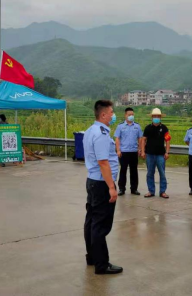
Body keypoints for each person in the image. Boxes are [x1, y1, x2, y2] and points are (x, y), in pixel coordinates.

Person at [83, 100, 123, 275]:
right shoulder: (100, 134)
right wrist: (111, 187)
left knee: (91, 221)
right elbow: (103, 162)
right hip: (101, 183)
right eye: (111, 112)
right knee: (100, 225)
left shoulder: (90, 131)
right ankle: (102, 264)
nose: (113, 115)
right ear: (104, 115)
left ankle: (92, 257)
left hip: (93, 180)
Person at [141, 108, 171, 199]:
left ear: (160, 117)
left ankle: (162, 191)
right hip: (149, 154)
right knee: (150, 173)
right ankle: (151, 191)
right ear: (152, 117)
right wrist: (143, 151)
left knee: (162, 173)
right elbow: (143, 140)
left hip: (160, 155)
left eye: (158, 116)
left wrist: (167, 152)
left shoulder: (164, 128)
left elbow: (168, 140)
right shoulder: (147, 128)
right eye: (155, 116)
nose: (156, 118)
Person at [114, 107, 143, 196]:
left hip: (134, 151)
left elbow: (140, 138)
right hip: (124, 152)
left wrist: (140, 149)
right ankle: (121, 189)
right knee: (123, 170)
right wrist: (118, 150)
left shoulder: (137, 126)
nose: (131, 116)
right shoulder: (120, 126)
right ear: (125, 115)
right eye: (129, 114)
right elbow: (117, 139)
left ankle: (134, 189)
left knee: (134, 171)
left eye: (132, 115)